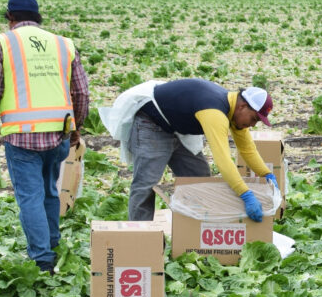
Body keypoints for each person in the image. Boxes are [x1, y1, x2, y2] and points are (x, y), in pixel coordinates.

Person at [0, 0, 89, 274]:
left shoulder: (2, 43)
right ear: (38, 17)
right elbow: (81, 92)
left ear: (10, 17)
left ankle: (42, 259)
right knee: (50, 191)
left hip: (21, 137)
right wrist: (76, 128)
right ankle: (52, 242)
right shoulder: (63, 44)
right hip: (57, 133)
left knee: (30, 197)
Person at [103, 78, 276, 222]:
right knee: (146, 184)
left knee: (199, 178)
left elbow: (247, 150)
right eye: (254, 119)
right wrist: (245, 194)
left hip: (178, 127)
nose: (252, 124)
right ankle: (140, 238)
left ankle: (191, 234)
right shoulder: (215, 112)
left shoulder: (234, 113)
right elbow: (223, 160)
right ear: (242, 106)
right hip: (152, 123)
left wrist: (267, 174)